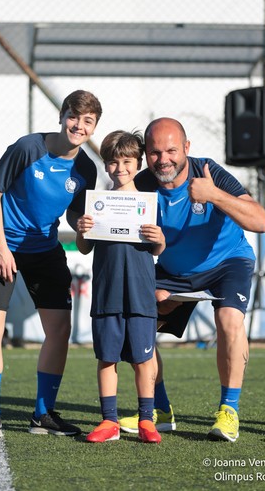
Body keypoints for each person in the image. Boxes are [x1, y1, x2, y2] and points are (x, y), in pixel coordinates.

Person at [119, 117, 265, 443]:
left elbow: (260, 222)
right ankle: (159, 411)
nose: (164, 159)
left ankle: (228, 411)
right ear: (146, 154)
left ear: (186, 148)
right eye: (155, 152)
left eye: (172, 150)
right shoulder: (140, 184)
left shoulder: (208, 172)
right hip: (174, 272)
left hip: (227, 262)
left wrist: (214, 195)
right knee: (135, 325)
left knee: (230, 320)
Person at [0, 89, 103, 440]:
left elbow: (76, 213)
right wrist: (1, 248)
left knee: (60, 331)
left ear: (93, 128)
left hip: (44, 251)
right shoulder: (28, 148)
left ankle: (43, 415)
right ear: (62, 115)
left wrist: (84, 226)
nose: (78, 125)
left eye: (87, 121)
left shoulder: (86, 169)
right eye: (74, 116)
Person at [76, 130, 166, 443]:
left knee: (143, 358)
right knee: (107, 357)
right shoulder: (97, 204)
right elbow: (84, 248)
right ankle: (109, 421)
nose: (120, 168)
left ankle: (146, 420)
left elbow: (158, 248)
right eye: (113, 162)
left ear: (138, 163)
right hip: (107, 292)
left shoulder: (148, 203)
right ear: (105, 165)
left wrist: (159, 239)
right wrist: (82, 230)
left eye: (127, 161)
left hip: (140, 293)